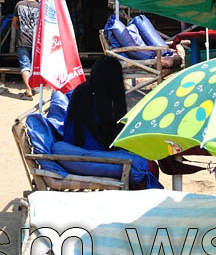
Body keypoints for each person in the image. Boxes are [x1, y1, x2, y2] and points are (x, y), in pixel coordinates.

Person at [62, 55, 161, 189]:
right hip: (93, 151)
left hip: (74, 146)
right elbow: (108, 139)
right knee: (149, 165)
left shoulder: (80, 91)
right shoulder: (104, 101)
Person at [13, 0, 41, 98]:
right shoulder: (40, 7)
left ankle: (28, 89)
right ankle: (32, 87)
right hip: (36, 42)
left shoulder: (19, 5)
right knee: (35, 66)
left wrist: (21, 31)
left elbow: (14, 23)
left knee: (25, 66)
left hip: (22, 40)